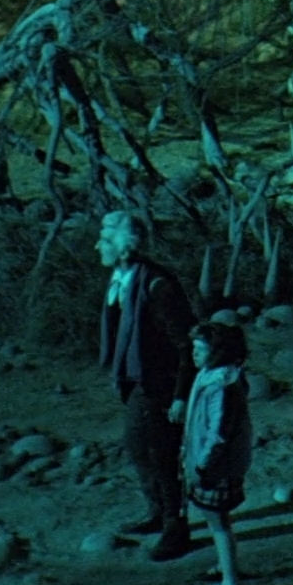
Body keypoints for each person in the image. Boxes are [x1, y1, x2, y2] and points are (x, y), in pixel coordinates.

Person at [96, 210, 199, 562]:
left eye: (105, 240)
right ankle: (158, 512)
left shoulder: (156, 286)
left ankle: (176, 525)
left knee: (162, 454)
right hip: (138, 381)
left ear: (123, 248)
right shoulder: (122, 281)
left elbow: (186, 343)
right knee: (140, 449)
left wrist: (182, 395)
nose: (98, 245)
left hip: (160, 384)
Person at [183, 321, 254, 585]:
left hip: (216, 467)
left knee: (218, 523)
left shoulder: (221, 386)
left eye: (200, 349)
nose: (194, 354)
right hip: (210, 462)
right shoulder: (209, 376)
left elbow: (218, 432)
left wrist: (203, 464)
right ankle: (226, 566)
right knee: (218, 521)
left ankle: (230, 582)